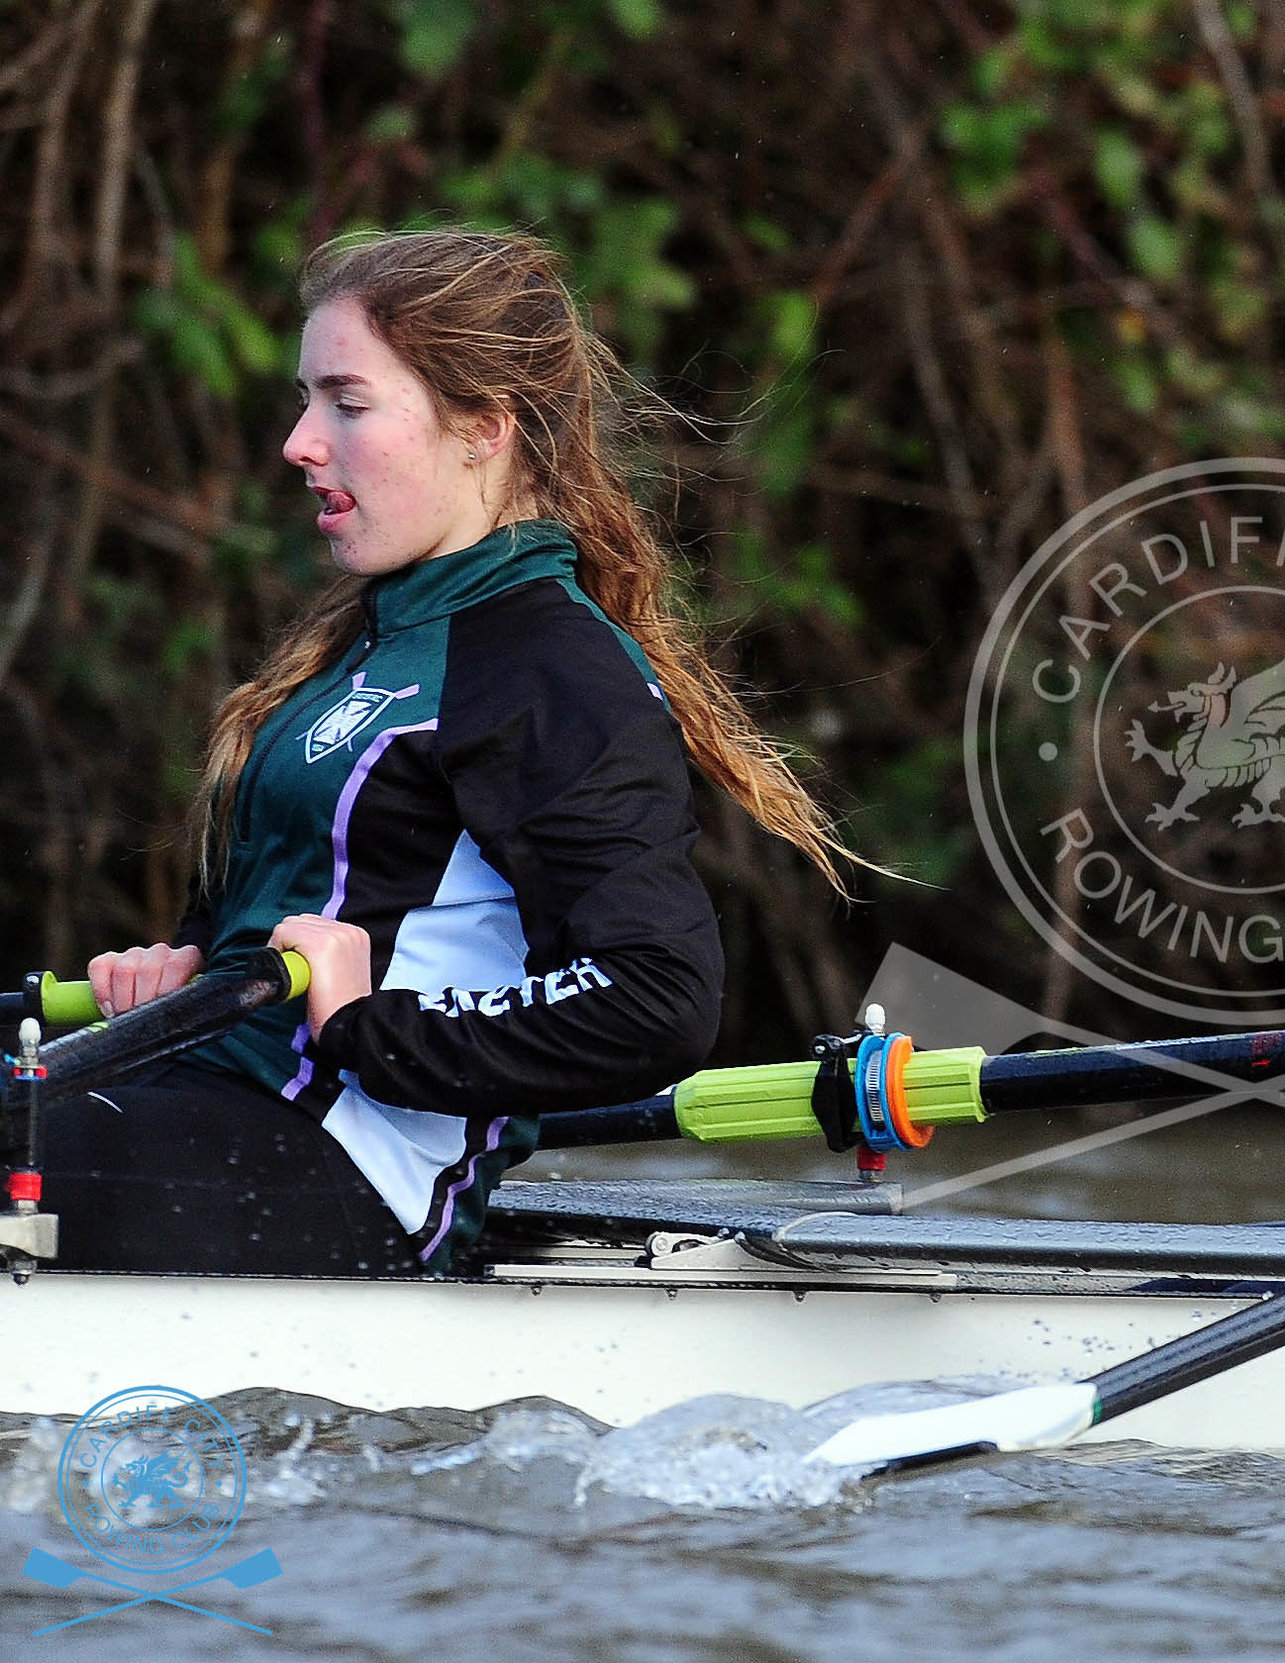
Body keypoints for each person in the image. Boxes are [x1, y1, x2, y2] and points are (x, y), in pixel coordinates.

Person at [61, 229, 857, 1276]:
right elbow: (297, 921)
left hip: (346, 1171)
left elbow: (655, 998)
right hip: (209, 1103)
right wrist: (184, 971)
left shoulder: (553, 671)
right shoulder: (358, 646)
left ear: (483, 426)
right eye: (306, 400)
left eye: (346, 403)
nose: (301, 442)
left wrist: (371, 1027)